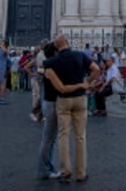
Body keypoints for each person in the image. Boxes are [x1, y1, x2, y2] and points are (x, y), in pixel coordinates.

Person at [44, 34, 100, 184]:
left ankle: (66, 171)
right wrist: (85, 83)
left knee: (63, 135)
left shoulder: (51, 62)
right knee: (80, 137)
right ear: (68, 42)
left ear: (55, 47)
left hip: (63, 101)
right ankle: (81, 173)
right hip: (80, 100)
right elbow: (96, 69)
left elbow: (60, 87)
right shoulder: (79, 55)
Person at [36, 42, 62, 180]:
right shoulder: (51, 65)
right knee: (48, 139)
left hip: (49, 102)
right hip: (52, 103)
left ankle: (48, 166)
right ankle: (43, 169)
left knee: (50, 139)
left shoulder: (47, 65)